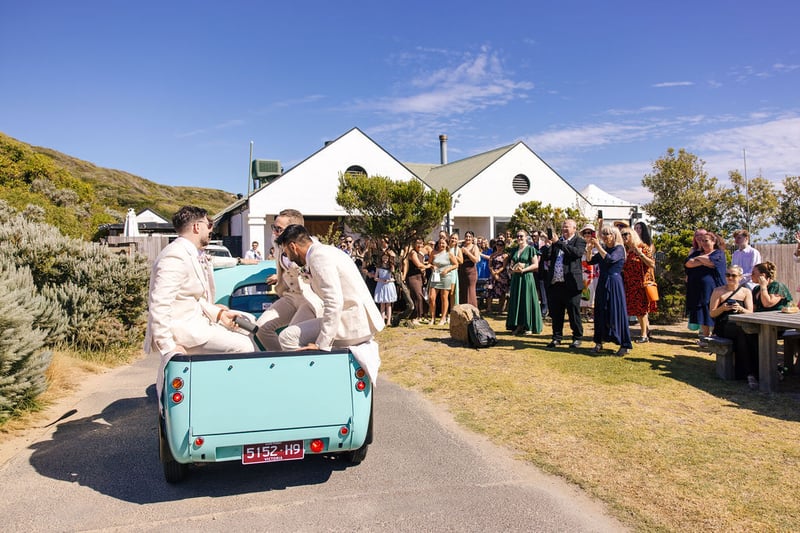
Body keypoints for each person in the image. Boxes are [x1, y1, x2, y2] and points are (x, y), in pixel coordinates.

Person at [145, 206, 256, 401]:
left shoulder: (190, 252)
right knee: (243, 345)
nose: (211, 229)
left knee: (247, 323)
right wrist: (168, 348)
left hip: (196, 323)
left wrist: (220, 315)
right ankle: (232, 399)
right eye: (208, 224)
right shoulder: (175, 256)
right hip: (184, 332)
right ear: (197, 227)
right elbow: (159, 304)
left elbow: (193, 297)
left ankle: (215, 392)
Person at [273, 224, 385, 350]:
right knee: (295, 327)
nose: (287, 257)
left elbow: (334, 301)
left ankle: (311, 369)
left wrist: (322, 344)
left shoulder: (318, 257)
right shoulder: (325, 251)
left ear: (293, 247)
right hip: (357, 321)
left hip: (352, 323)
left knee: (287, 337)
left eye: (286, 252)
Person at [255, 209, 323, 351]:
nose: (274, 232)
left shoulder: (314, 249)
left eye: (279, 229)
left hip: (308, 299)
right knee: (261, 328)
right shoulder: (279, 245)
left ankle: (293, 367)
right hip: (290, 296)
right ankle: (280, 360)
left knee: (290, 336)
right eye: (274, 227)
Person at [586, 225, 632, 356]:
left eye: (608, 234)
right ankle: (599, 342)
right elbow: (590, 261)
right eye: (604, 235)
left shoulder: (619, 249)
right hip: (602, 282)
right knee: (600, 311)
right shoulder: (604, 249)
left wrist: (598, 247)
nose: (605, 237)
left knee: (616, 311)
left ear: (614, 235)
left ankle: (624, 344)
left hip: (614, 282)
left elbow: (610, 259)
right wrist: (589, 249)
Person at [708, 265, 756, 387]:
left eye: (733, 275)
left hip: (741, 324)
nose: (730, 278)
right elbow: (712, 313)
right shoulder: (718, 291)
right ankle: (749, 373)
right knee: (743, 333)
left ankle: (751, 372)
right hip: (724, 325)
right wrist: (722, 308)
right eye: (727, 275)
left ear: (740, 277)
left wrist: (740, 309)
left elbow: (750, 312)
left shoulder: (746, 292)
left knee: (751, 335)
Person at [544, 219, 586, 349]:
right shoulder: (558, 241)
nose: (564, 229)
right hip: (556, 283)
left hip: (571, 284)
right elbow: (547, 257)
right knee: (556, 313)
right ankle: (556, 337)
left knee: (573, 312)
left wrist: (559, 243)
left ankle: (577, 337)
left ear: (574, 228)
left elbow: (576, 254)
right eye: (563, 227)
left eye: (567, 227)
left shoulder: (579, 241)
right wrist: (549, 245)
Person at [685, 231, 726, 343]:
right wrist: (703, 259)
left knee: (713, 310)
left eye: (706, 240)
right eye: (702, 241)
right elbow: (688, 263)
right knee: (702, 311)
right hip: (698, 289)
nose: (703, 243)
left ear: (713, 241)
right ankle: (705, 337)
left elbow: (712, 262)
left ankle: (716, 336)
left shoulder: (719, 253)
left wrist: (699, 259)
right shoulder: (696, 253)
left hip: (714, 288)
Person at [621, 225, 657, 342]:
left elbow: (652, 264)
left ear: (633, 235)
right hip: (629, 284)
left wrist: (640, 254)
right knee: (635, 310)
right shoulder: (626, 250)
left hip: (640, 284)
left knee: (641, 310)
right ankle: (644, 332)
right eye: (622, 235)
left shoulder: (643, 247)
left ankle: (644, 335)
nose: (624, 237)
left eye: (626, 234)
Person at [505, 229, 543, 335]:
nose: (519, 238)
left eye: (521, 236)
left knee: (527, 300)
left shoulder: (530, 249)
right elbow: (511, 264)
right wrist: (512, 269)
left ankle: (529, 325)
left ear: (526, 237)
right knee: (517, 300)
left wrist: (524, 269)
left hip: (527, 278)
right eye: (517, 236)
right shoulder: (514, 250)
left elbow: (536, 265)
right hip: (516, 279)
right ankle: (518, 325)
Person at [428, 237, 458, 325]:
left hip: (446, 277)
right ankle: (432, 318)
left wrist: (447, 270)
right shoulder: (433, 253)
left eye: (443, 243)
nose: (441, 245)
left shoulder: (449, 254)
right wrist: (432, 266)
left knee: (444, 297)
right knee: (431, 297)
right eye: (440, 243)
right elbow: (429, 263)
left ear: (447, 244)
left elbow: (456, 265)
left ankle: (443, 318)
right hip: (435, 276)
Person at [403, 237, 432, 325]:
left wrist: (424, 275)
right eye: (417, 243)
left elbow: (422, 265)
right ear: (414, 244)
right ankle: (414, 317)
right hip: (412, 277)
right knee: (417, 296)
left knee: (420, 296)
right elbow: (419, 265)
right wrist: (429, 266)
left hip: (419, 277)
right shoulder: (412, 253)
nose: (419, 245)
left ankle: (420, 316)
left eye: (421, 243)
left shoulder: (421, 253)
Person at [579, 224, 599, 322]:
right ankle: (583, 312)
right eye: (585, 232)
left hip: (593, 270)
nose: (587, 235)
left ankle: (593, 313)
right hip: (583, 269)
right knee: (584, 289)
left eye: (589, 232)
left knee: (593, 289)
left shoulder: (597, 244)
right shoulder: (581, 244)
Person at [372, 252, 398, 327]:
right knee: (382, 304)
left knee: (388, 304)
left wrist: (389, 280)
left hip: (389, 286)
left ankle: (389, 321)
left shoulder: (391, 266)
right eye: (384, 258)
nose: (385, 259)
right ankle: (382, 320)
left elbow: (394, 278)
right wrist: (381, 280)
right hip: (381, 285)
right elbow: (375, 278)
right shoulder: (378, 267)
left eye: (386, 258)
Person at [487, 237, 510, 314]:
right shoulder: (492, 255)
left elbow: (504, 266)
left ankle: (501, 309)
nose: (499, 246)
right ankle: (489, 308)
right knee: (490, 290)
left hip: (502, 275)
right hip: (492, 274)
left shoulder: (505, 255)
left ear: (503, 246)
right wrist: (493, 273)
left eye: (501, 245)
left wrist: (497, 273)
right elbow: (490, 265)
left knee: (502, 292)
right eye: (498, 245)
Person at [458, 230, 480, 308]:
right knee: (462, 290)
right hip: (462, 271)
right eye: (466, 236)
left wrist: (467, 252)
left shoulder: (474, 247)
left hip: (471, 271)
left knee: (470, 291)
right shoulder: (461, 247)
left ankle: (472, 309)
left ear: (472, 238)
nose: (468, 238)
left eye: (470, 237)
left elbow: (476, 260)